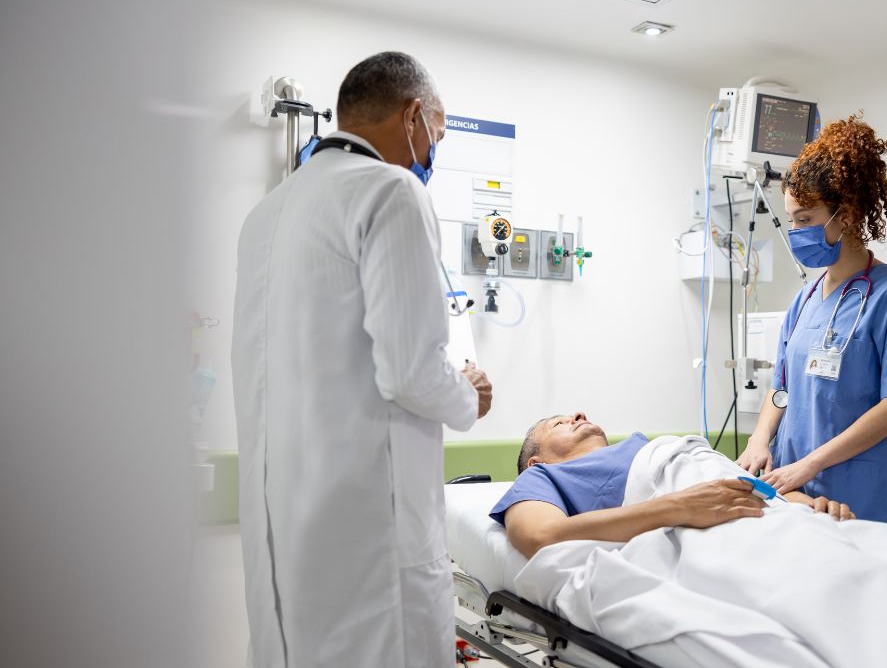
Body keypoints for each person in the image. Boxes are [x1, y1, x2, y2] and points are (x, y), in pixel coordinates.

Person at [232, 51, 493, 668]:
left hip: (283, 539)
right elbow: (409, 372)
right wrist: (468, 397)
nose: (433, 148)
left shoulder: (265, 214)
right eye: (438, 132)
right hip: (368, 549)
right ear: (413, 117)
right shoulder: (390, 191)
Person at [736, 114, 887, 527]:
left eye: (806, 219)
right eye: (792, 218)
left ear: (845, 215)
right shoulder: (805, 299)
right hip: (795, 494)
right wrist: (760, 440)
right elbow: (781, 388)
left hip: (862, 495)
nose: (795, 231)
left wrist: (810, 464)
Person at [492, 412, 853, 558]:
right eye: (559, 423)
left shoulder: (645, 446)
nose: (579, 416)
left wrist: (802, 502)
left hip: (767, 507)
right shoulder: (541, 478)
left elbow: (732, 484)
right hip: (698, 518)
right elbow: (537, 536)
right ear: (535, 462)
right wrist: (680, 507)